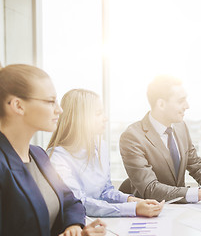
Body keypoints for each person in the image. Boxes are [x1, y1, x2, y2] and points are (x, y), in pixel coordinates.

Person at [0, 64, 106, 236]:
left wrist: (73, 227)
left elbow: (70, 201)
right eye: (50, 101)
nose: (59, 109)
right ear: (18, 106)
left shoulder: (38, 155)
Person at [119, 75, 201, 204]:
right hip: (149, 211)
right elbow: (150, 188)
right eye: (181, 101)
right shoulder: (132, 137)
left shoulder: (181, 127)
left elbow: (195, 166)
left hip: (180, 209)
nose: (187, 106)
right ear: (161, 104)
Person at [47, 89, 164, 217]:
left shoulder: (101, 146)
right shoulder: (57, 158)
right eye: (98, 113)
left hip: (102, 220)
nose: (105, 119)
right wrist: (133, 209)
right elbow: (79, 202)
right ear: (81, 118)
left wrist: (133, 200)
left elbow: (105, 191)